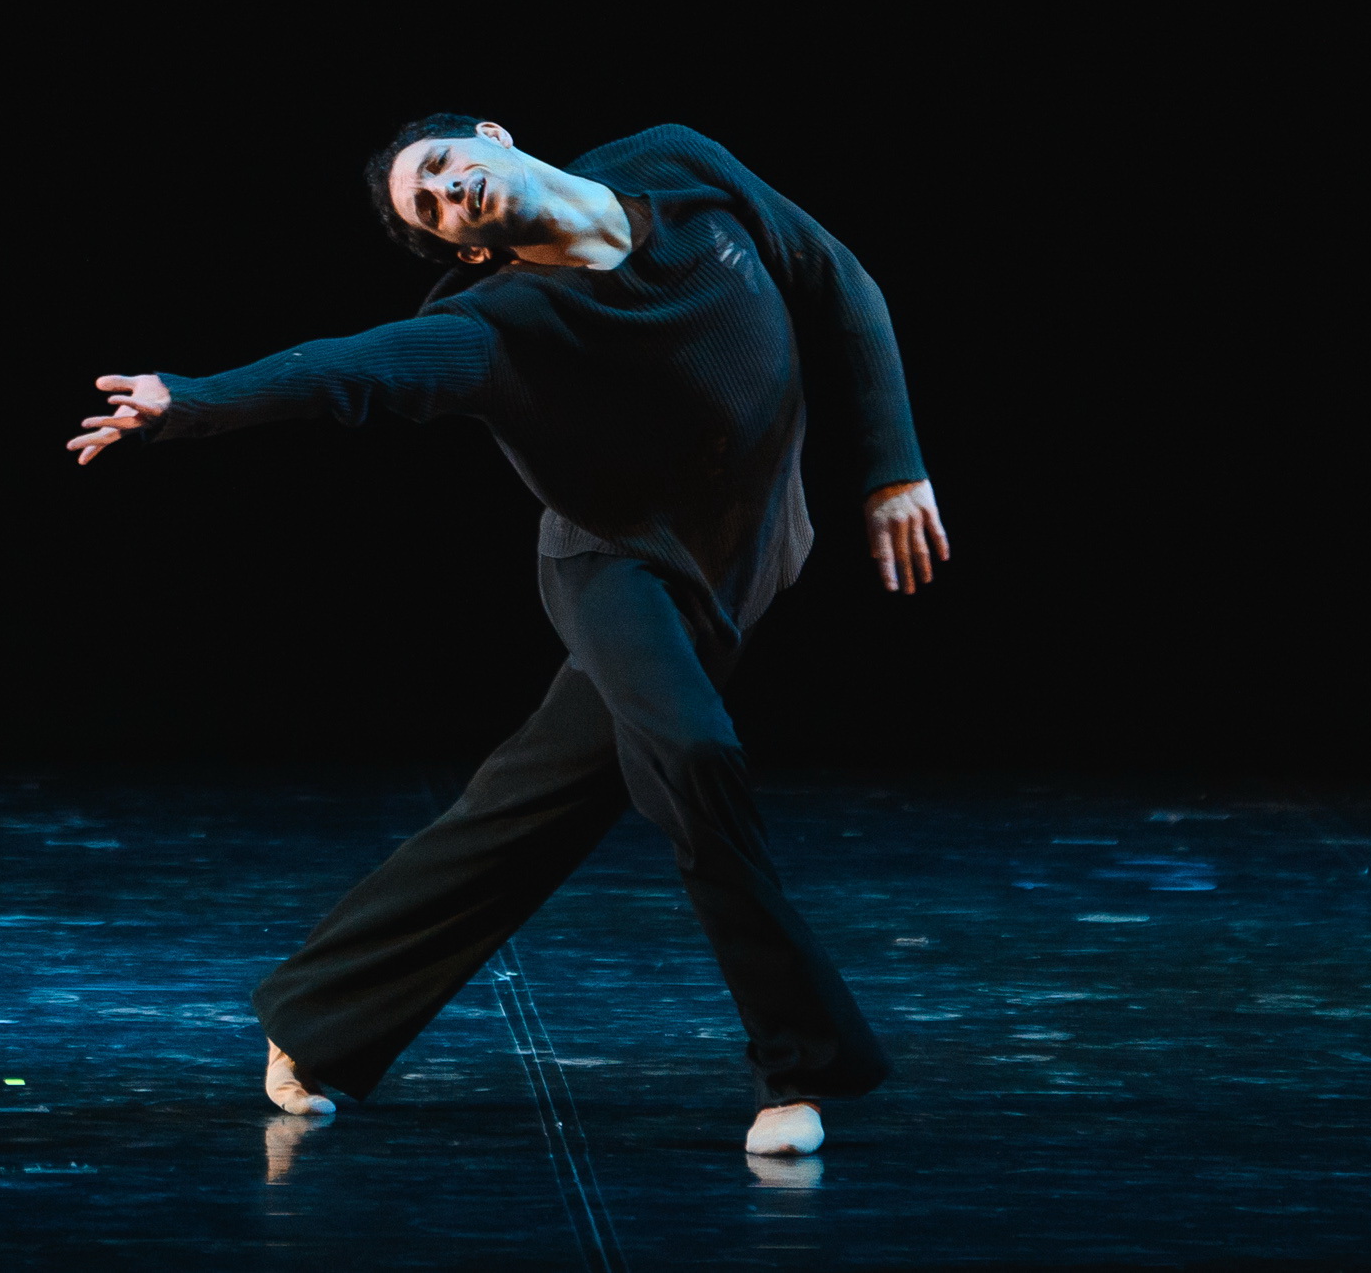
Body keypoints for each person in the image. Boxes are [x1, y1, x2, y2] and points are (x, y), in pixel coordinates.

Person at [65, 116, 948, 1158]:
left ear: (492, 135)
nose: (449, 193)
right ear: (469, 252)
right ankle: (799, 1066)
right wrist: (191, 401)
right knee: (693, 758)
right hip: (617, 571)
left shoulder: (675, 163)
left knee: (532, 807)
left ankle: (313, 1016)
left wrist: (894, 465)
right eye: (431, 209)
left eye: (444, 168)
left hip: (743, 554)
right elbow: (351, 370)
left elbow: (836, 278)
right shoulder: (497, 325)